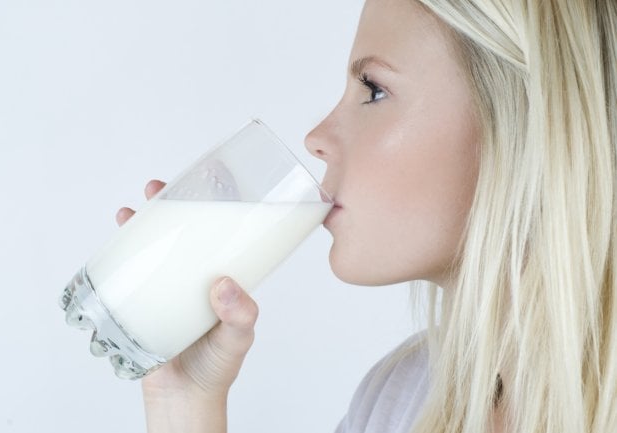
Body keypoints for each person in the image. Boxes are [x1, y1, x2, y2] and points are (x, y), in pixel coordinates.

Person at [115, 0, 617, 431]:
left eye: (373, 89)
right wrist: (186, 402)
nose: (316, 137)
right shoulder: (396, 402)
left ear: (525, 126)